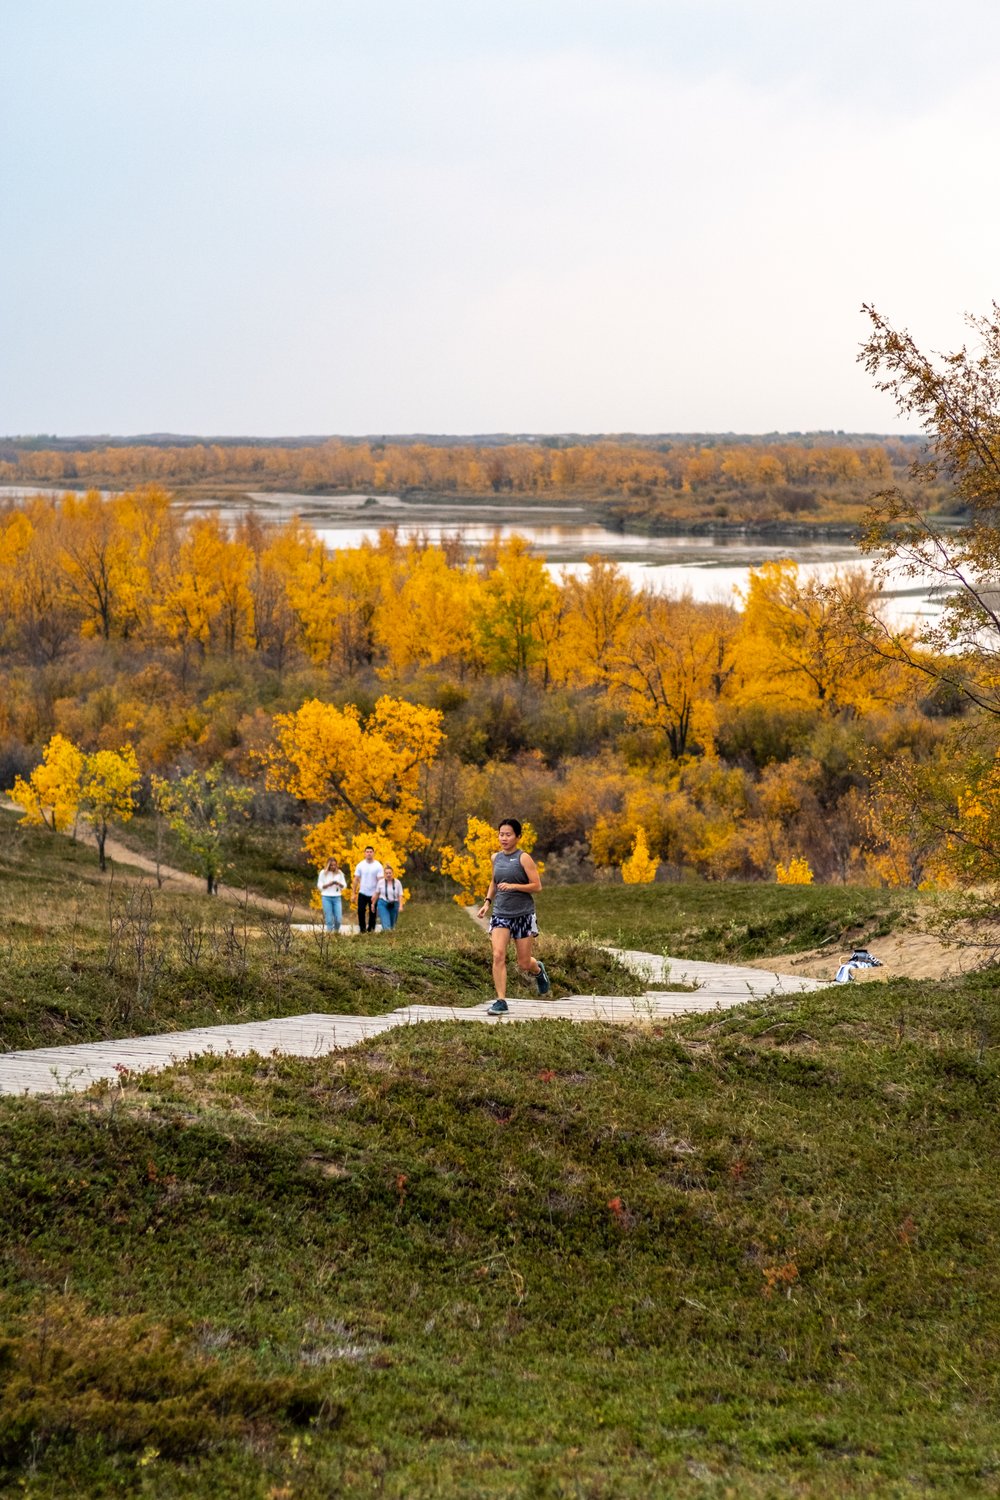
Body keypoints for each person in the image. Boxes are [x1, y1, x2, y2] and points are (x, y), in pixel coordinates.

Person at [476, 817, 550, 1015]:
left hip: (523, 915)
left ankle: (538, 970)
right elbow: (494, 881)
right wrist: (487, 902)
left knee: (524, 963)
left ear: (517, 837)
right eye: (501, 834)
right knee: (498, 955)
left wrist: (514, 886)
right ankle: (501, 1001)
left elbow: (537, 886)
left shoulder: (523, 858)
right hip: (501, 913)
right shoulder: (495, 858)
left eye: (508, 834)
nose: (504, 838)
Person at [352, 846, 383, 933]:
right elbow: (356, 879)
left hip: (374, 893)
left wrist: (377, 893)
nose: (369, 853)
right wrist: (353, 893)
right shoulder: (360, 865)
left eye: (370, 852)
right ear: (364, 853)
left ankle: (371, 930)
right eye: (367, 852)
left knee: (373, 912)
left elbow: (380, 881)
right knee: (361, 911)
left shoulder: (378, 865)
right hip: (362, 892)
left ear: (373, 853)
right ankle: (362, 930)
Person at [317, 857, 346, 932]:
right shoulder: (323, 873)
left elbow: (344, 885)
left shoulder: (340, 873)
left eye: (334, 865)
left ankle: (336, 932)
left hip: (337, 898)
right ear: (328, 865)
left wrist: (338, 883)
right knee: (329, 919)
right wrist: (328, 885)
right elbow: (319, 885)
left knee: (338, 919)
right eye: (331, 865)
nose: (333, 867)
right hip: (326, 897)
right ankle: (329, 934)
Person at [374, 865, 403, 931]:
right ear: (384, 874)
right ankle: (387, 934)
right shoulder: (380, 882)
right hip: (383, 903)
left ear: (393, 873)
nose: (388, 875)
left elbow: (400, 895)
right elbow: (377, 894)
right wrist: (373, 904)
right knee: (386, 925)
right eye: (386, 873)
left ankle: (391, 938)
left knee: (392, 925)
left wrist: (400, 906)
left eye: (390, 873)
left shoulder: (397, 882)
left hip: (394, 904)